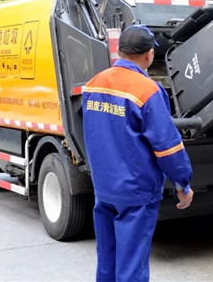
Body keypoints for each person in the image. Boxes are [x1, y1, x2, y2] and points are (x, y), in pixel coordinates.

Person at [83, 24, 194, 282]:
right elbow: (167, 146)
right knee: (132, 266)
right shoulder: (148, 90)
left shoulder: (93, 85)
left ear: (119, 51)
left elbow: (94, 134)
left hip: (104, 188)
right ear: (149, 55)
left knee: (107, 261)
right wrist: (182, 183)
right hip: (135, 192)